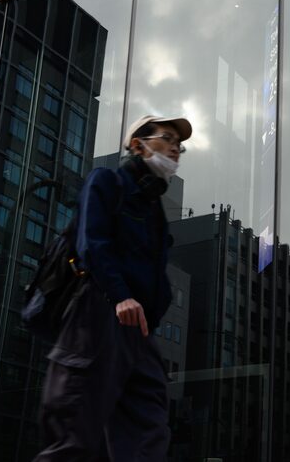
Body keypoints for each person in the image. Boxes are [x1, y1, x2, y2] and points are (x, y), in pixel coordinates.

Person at [33, 115, 192, 461]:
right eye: (167, 138)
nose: (175, 149)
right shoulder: (107, 182)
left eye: (179, 145)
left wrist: (152, 314)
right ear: (138, 145)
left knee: (148, 430)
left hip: (139, 330)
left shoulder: (154, 209)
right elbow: (93, 243)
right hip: (99, 312)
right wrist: (120, 295)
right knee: (73, 432)